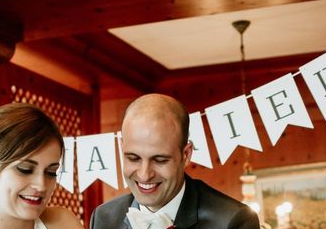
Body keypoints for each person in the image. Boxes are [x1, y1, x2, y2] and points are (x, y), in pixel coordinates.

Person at [90, 94, 260, 229]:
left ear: (186, 155)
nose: (144, 174)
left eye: (160, 160)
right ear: (121, 147)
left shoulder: (233, 221)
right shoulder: (103, 219)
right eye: (133, 158)